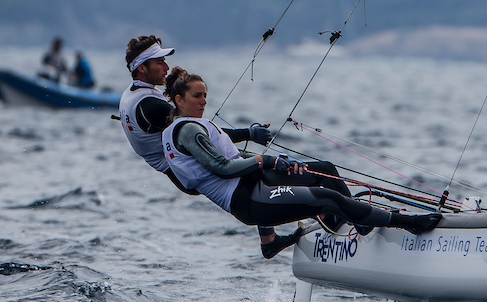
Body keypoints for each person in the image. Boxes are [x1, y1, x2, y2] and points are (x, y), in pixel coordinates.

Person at [162, 66, 440, 258]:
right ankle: (405, 223)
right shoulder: (187, 130)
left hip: (254, 183)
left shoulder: (196, 125)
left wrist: (278, 162)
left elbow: (236, 158)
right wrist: (265, 159)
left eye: (205, 95)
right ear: (179, 100)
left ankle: (356, 223)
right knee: (326, 197)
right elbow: (221, 168)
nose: (204, 101)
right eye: (197, 96)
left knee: (325, 171)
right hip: (247, 199)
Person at [116, 35, 279, 254]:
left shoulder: (133, 93)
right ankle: (304, 211)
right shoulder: (151, 107)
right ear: (142, 68)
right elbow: (202, 135)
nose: (166, 66)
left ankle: (270, 238)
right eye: (159, 62)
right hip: (184, 168)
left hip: (180, 162)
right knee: (255, 166)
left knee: (252, 166)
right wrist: (249, 133)